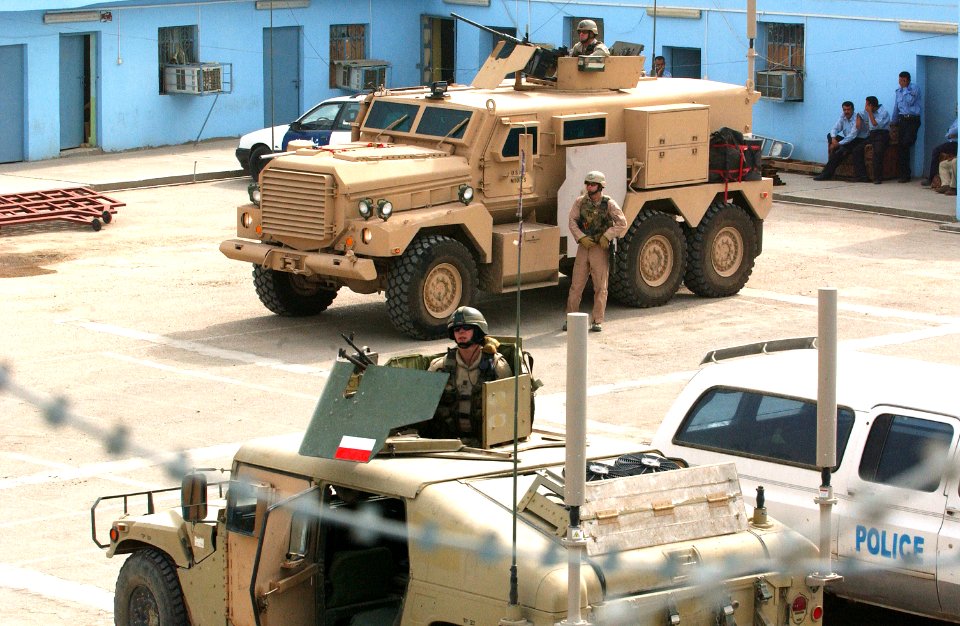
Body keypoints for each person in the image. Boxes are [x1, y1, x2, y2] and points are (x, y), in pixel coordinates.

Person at [426, 307, 512, 442]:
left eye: (466, 328)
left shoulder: (497, 366)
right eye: (456, 329)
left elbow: (509, 409)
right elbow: (424, 404)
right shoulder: (440, 367)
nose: (461, 332)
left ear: (478, 331)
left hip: (488, 441)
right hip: (448, 442)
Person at [565, 171, 628, 333]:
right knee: (576, 286)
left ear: (600, 186)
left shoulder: (609, 204)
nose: (589, 187)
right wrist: (581, 237)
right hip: (584, 246)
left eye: (592, 184)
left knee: (600, 286)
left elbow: (622, 223)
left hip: (599, 249)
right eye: (587, 184)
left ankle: (597, 320)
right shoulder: (580, 202)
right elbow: (572, 221)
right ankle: (570, 318)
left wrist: (607, 236)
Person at [813, 101, 867, 181]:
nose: (846, 112)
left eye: (848, 110)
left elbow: (852, 136)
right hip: (847, 141)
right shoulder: (843, 117)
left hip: (857, 140)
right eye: (844, 110)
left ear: (853, 110)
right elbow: (835, 129)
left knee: (838, 152)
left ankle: (826, 174)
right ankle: (838, 148)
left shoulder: (857, 118)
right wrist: (834, 139)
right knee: (830, 135)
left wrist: (837, 144)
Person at [853, 96, 892, 185]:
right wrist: (858, 118)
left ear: (871, 105)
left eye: (866, 104)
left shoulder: (883, 112)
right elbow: (860, 113)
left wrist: (870, 112)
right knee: (857, 150)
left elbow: (875, 124)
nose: (865, 106)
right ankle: (862, 176)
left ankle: (877, 177)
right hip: (872, 135)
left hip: (882, 134)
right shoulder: (868, 111)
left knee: (877, 152)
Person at [892, 70, 922, 182]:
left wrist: (905, 88)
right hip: (902, 120)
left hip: (913, 120)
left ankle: (906, 174)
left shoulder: (914, 89)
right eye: (899, 80)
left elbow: (910, 101)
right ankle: (903, 174)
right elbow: (897, 106)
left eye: (902, 80)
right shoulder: (898, 91)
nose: (900, 82)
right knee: (901, 146)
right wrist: (893, 121)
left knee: (906, 144)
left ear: (907, 80)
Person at [922, 117, 958, 187]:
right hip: (952, 142)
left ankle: (932, 178)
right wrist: (951, 133)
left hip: (956, 144)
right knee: (937, 151)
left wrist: (952, 132)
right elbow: (948, 133)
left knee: (936, 151)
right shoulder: (957, 119)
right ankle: (942, 183)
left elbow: (953, 130)